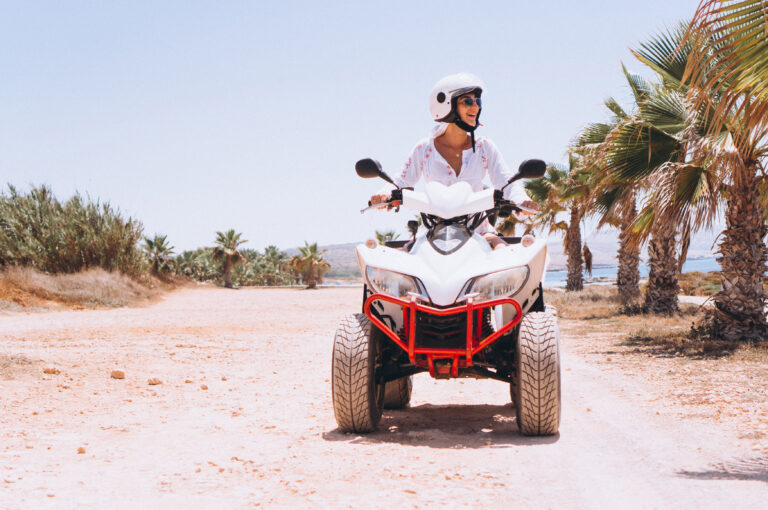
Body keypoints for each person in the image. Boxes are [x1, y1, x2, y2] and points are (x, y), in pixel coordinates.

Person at [370, 73, 539, 250]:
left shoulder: (484, 147)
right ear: (446, 106)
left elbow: (506, 182)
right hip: (432, 232)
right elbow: (400, 182)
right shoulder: (425, 148)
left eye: (477, 101)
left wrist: (522, 201)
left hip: (479, 231)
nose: (475, 106)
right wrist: (384, 194)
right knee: (400, 262)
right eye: (467, 101)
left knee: (504, 255)